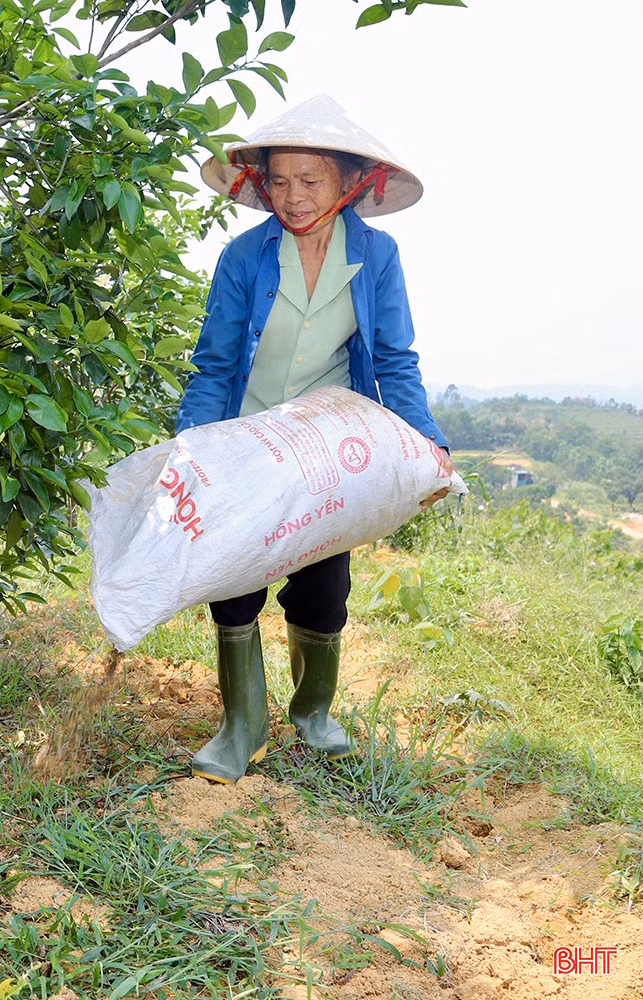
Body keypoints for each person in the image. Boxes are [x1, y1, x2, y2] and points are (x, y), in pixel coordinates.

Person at [177, 95, 450, 784]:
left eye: (312, 180)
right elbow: (213, 366)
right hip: (248, 439)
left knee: (323, 587)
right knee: (235, 583)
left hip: (328, 447)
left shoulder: (377, 256)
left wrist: (426, 441)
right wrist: (193, 448)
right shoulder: (244, 257)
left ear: (349, 182)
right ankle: (241, 727)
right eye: (280, 180)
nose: (293, 197)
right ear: (260, 182)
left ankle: (313, 714)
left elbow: (394, 359)